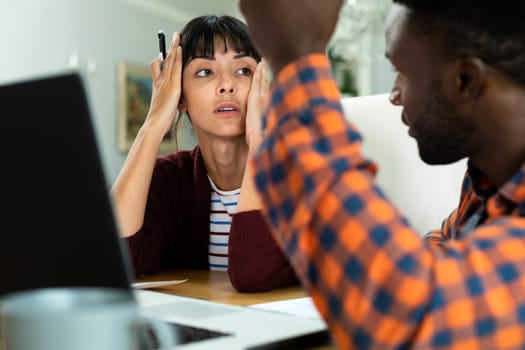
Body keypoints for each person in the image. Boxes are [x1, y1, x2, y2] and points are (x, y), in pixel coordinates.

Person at [239, 0, 525, 348]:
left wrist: (296, 59)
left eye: (402, 71)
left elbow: (411, 321)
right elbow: (442, 247)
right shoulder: (489, 183)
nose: (393, 95)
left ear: (465, 81)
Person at [111, 15, 298, 293]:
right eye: (204, 72)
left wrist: (261, 136)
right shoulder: (168, 180)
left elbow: (252, 273)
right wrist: (153, 124)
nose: (227, 85)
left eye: (243, 70)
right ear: (179, 96)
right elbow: (115, 259)